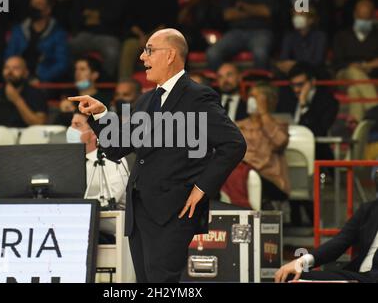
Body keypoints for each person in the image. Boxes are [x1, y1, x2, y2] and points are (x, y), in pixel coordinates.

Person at [69, 28, 246, 282]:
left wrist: (202, 188)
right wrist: (101, 115)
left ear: (171, 55)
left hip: (172, 211)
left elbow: (234, 144)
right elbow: (117, 147)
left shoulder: (198, 96)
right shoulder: (145, 101)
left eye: (149, 50)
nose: (142, 57)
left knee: (162, 283)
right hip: (139, 211)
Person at [275, 199, 378, 283]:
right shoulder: (369, 209)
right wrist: (301, 262)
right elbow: (340, 241)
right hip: (358, 275)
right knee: (289, 276)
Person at [51, 111, 129, 206]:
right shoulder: (67, 160)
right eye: (71, 124)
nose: (71, 129)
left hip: (110, 217)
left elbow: (111, 198)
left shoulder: (112, 159)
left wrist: (77, 205)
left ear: (94, 133)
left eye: (77, 125)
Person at [235, 83, 290, 208]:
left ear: (268, 101)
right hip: (241, 174)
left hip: (269, 179)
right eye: (250, 96)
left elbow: (280, 142)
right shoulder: (238, 126)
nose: (250, 100)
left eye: (255, 97)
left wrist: (264, 114)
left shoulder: (279, 125)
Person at [205, 0, 281, 70]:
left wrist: (243, 7)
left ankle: (260, 83)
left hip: (262, 31)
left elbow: (267, 12)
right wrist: (256, 11)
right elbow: (227, 15)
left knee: (260, 54)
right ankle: (226, 79)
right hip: (236, 32)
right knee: (212, 53)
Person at [5, 0, 69, 84]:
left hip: (44, 81)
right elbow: (9, 55)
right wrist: (18, 74)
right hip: (18, 78)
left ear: (48, 9)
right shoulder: (18, 30)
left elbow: (62, 63)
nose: (34, 7)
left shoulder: (58, 33)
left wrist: (41, 78)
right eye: (33, 4)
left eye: (39, 4)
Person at [118, 0, 179, 79]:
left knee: (161, 50)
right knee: (128, 47)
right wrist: (142, 36)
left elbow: (169, 22)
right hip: (138, 37)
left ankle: (166, 85)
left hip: (161, 38)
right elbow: (129, 21)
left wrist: (150, 39)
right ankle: (124, 83)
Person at [333, 0, 378, 121]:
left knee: (354, 90)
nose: (363, 21)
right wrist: (355, 66)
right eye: (361, 18)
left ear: (373, 17)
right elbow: (337, 63)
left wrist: (366, 66)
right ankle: (374, 108)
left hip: (371, 78)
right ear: (355, 15)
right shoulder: (341, 36)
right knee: (354, 71)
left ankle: (356, 129)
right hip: (344, 76)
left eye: (366, 18)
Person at [68, 0, 124, 79]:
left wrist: (96, 16)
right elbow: (76, 16)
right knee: (70, 46)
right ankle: (74, 80)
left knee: (112, 52)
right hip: (85, 34)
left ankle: (105, 81)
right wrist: (100, 16)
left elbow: (117, 17)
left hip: (109, 35)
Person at [288, 63, 339, 160]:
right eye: (293, 85)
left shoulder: (327, 101)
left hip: (316, 151)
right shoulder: (288, 99)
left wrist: (303, 105)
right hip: (289, 148)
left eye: (300, 85)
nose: (296, 89)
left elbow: (319, 129)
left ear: (312, 82)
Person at [0, 56, 48, 127]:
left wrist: (17, 100)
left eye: (16, 68)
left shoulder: (36, 94)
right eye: (6, 68)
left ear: (26, 73)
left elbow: (39, 123)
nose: (9, 72)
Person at [277, 7, 328, 75]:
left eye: (300, 15)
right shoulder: (289, 37)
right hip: (293, 73)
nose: (296, 18)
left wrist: (297, 64)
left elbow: (318, 61)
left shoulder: (320, 36)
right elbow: (284, 59)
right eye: (294, 16)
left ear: (311, 19)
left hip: (314, 72)